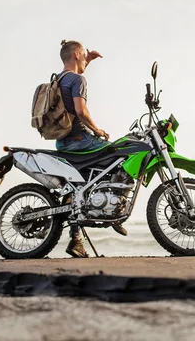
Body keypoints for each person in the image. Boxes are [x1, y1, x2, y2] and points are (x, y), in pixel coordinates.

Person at [55, 40, 127, 258]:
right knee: (125, 157)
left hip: (63, 142)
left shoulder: (59, 79)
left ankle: (76, 241)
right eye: (84, 56)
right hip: (81, 140)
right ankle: (116, 212)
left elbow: (76, 73)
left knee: (79, 189)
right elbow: (80, 110)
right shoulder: (78, 79)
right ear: (77, 54)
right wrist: (97, 130)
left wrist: (90, 61)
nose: (86, 59)